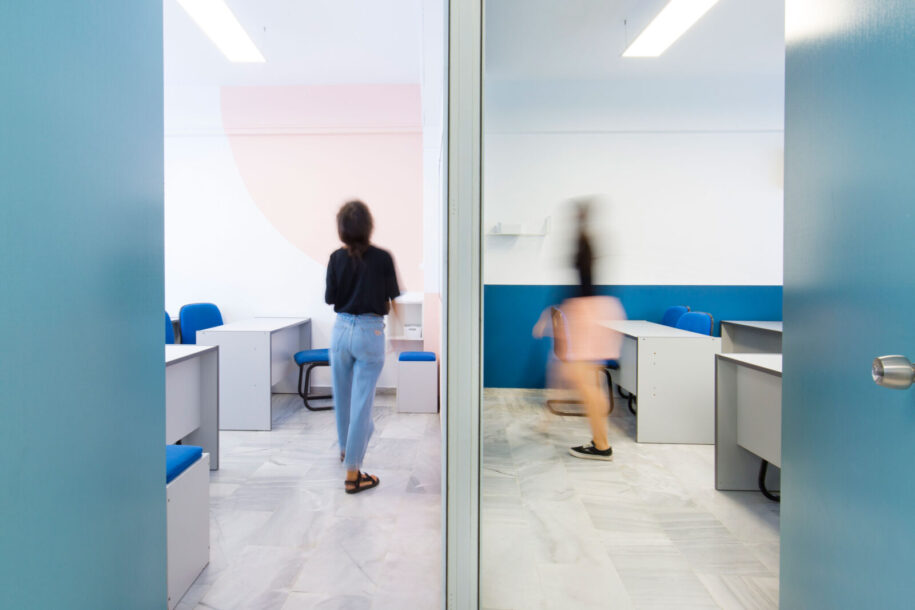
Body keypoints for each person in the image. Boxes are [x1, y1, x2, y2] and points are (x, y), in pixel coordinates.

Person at [325, 200, 400, 493]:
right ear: (369, 226)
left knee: (343, 398)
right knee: (361, 404)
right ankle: (353, 473)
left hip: (341, 330)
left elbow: (331, 298)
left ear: (341, 229)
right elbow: (393, 299)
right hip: (370, 331)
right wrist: (393, 335)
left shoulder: (335, 258)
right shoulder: (383, 258)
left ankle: (346, 451)